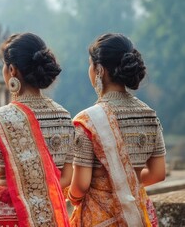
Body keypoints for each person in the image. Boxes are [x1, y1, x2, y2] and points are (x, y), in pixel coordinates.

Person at [0, 33, 73, 227]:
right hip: (49, 219)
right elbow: (67, 177)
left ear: (12, 70)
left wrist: (10, 194)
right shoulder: (64, 117)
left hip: (6, 219)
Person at [68, 33, 166, 227]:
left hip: (99, 219)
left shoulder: (87, 121)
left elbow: (80, 185)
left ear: (99, 70)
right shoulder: (149, 115)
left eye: (90, 65)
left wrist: (70, 195)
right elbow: (158, 173)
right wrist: (126, 185)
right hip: (137, 216)